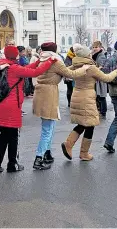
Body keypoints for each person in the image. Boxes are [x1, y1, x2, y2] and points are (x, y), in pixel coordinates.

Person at [0, 45, 55, 173]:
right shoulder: (14, 68)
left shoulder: (0, 65)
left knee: (3, 135)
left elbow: (24, 69)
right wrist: (49, 62)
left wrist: (37, 62)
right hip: (10, 107)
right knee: (13, 136)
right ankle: (13, 164)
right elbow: (35, 73)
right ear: (15, 55)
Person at [32, 42, 89, 170]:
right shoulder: (55, 61)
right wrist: (84, 69)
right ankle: (38, 158)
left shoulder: (42, 59)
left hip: (41, 93)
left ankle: (47, 153)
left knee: (50, 126)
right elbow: (71, 74)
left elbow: (66, 70)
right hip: (48, 95)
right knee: (47, 129)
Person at [61, 44, 117, 161]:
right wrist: (116, 72)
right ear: (87, 55)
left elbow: (68, 72)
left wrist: (97, 70)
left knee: (85, 123)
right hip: (87, 98)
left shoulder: (76, 65)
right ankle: (78, 150)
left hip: (77, 95)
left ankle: (74, 147)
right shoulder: (90, 67)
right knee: (88, 124)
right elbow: (106, 78)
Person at [92, 41, 108, 119]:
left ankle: (103, 112)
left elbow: (101, 67)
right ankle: (100, 110)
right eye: (93, 47)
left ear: (100, 47)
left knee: (101, 96)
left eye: (96, 47)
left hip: (101, 79)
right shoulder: (95, 55)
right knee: (98, 95)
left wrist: (95, 70)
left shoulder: (101, 56)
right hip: (97, 78)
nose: (94, 49)